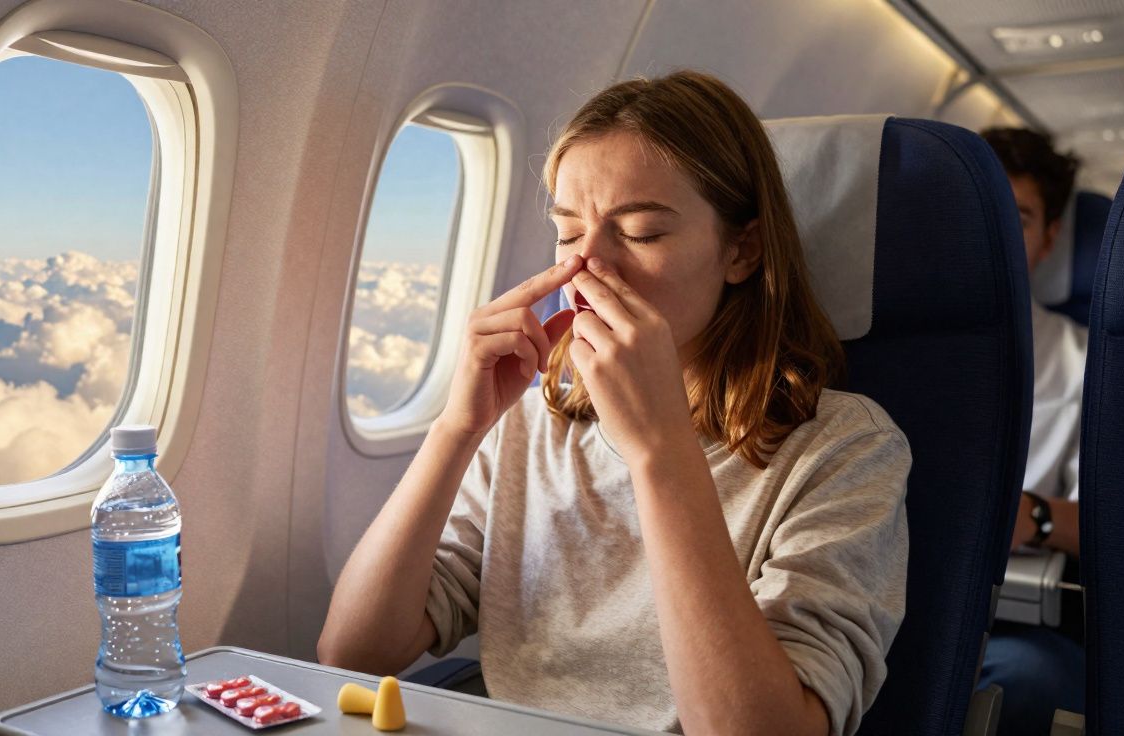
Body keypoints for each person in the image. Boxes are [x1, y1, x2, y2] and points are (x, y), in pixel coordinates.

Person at [319, 71, 911, 736]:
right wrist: (459, 425)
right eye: (569, 233)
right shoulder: (538, 422)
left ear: (741, 251)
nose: (589, 266)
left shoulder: (846, 449)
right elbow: (354, 652)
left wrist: (659, 453)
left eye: (640, 233)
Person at [977, 127, 1086, 735]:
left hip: (1020, 611)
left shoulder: (1088, 365)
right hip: (879, 593)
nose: (990, 236)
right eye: (976, 213)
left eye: (1015, 219)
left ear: (1048, 240)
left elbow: (1118, 522)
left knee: (1025, 683)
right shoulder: (867, 346)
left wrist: (1035, 516)